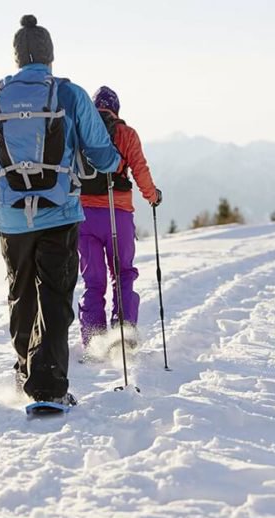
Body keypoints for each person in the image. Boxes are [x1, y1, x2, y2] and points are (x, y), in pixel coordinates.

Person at [0, 15, 120, 405]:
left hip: (13, 217)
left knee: (20, 294)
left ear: (17, 57)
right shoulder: (69, 94)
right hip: (61, 212)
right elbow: (101, 153)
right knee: (54, 296)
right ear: (51, 55)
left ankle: (23, 376)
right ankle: (48, 389)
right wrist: (114, 162)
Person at [78, 85, 162, 354]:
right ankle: (123, 334)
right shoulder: (126, 134)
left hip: (83, 216)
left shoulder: (81, 132)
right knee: (123, 273)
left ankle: (93, 341)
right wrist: (152, 196)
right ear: (116, 109)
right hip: (118, 214)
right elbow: (140, 170)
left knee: (93, 280)